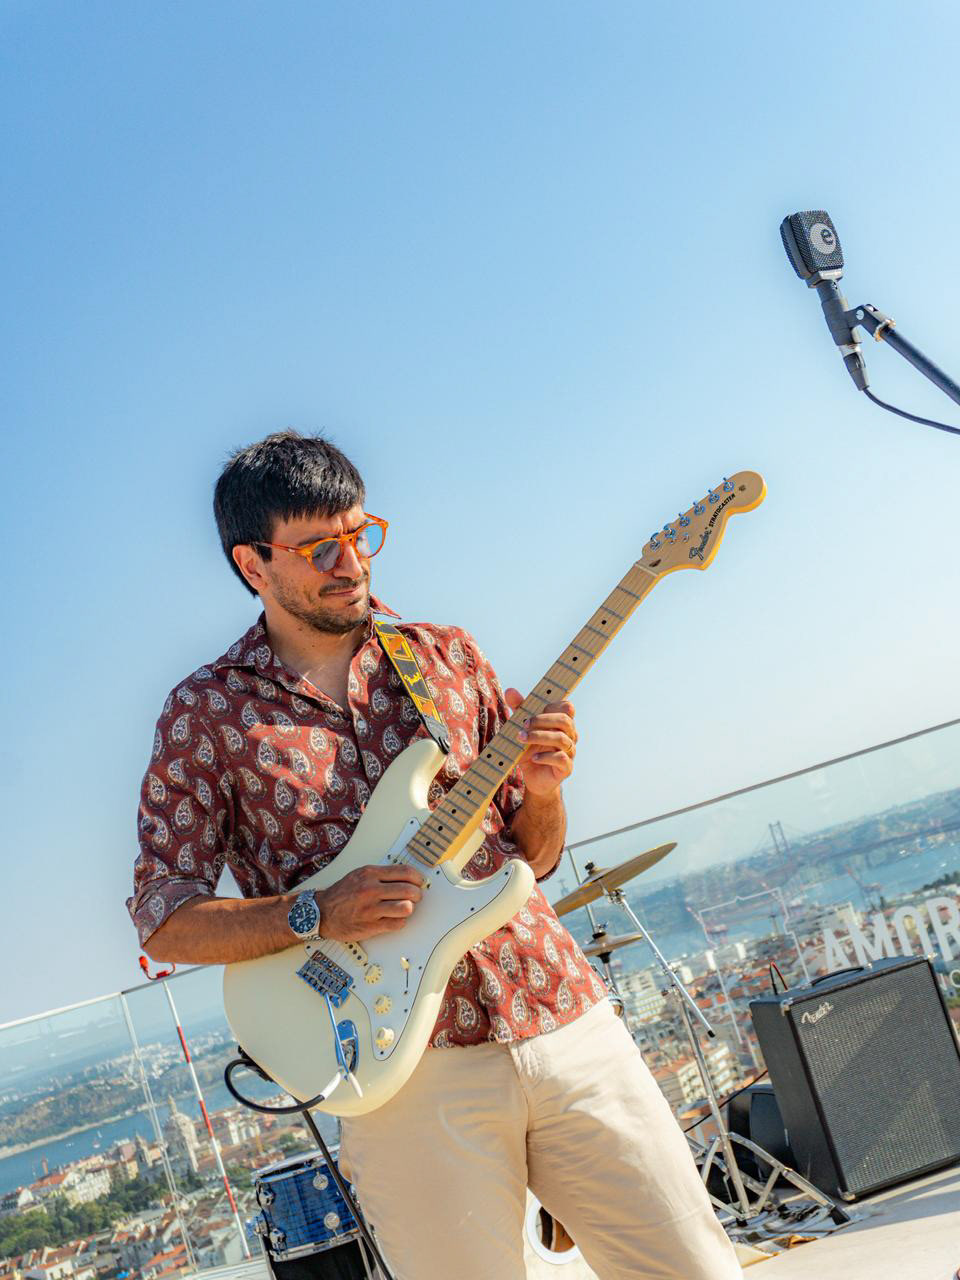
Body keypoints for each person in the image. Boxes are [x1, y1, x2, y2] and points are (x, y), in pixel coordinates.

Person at [128, 430, 742, 1280]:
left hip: (557, 1008)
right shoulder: (206, 713)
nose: (351, 563)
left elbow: (534, 855)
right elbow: (165, 918)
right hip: (399, 1070)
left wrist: (544, 790)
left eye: (359, 534)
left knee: (694, 1267)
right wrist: (316, 912)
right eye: (318, 548)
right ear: (252, 563)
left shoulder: (444, 657)